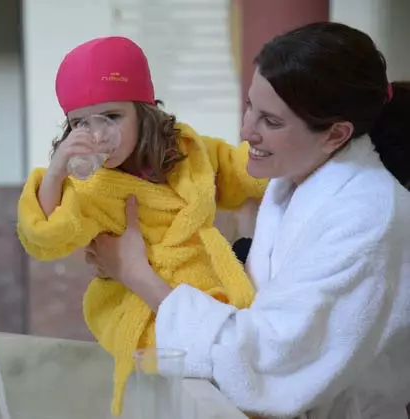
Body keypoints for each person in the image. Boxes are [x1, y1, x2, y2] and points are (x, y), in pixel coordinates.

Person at [85, 22, 410, 419]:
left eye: (271, 122)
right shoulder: (293, 180)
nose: (246, 131)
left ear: (335, 135)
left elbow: (270, 360)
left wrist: (136, 272)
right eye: (249, 107)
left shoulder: (367, 213)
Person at [16, 36, 267, 415]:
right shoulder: (88, 187)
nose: (98, 134)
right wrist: (54, 173)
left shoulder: (187, 151)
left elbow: (241, 171)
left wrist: (300, 155)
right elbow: (45, 237)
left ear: (143, 111)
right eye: (80, 124)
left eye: (112, 117)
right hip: (143, 316)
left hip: (208, 300)